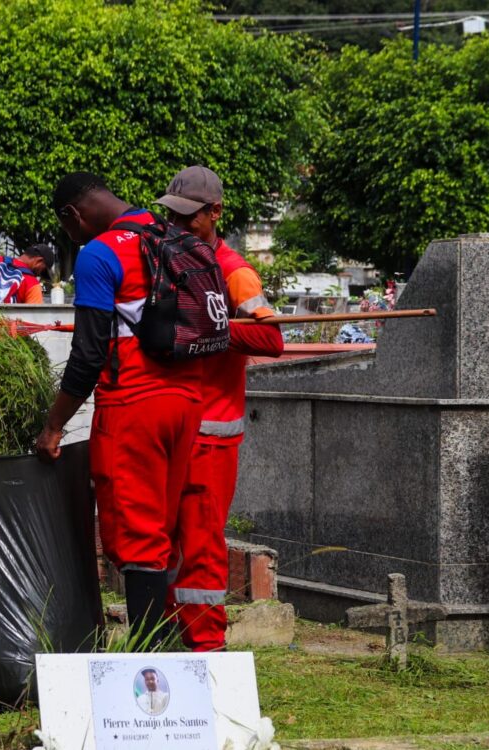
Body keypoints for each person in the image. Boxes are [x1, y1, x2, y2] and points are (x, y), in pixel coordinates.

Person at [35, 172, 203, 649]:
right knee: (164, 524)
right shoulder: (172, 234)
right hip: (187, 402)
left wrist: (53, 426)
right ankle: (168, 635)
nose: (73, 239)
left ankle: (150, 652)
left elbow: (89, 355)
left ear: (73, 214)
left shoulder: (99, 253)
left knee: (135, 529)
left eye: (68, 230)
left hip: (135, 405)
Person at [155, 166, 284, 651]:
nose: (181, 225)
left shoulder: (235, 271)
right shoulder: (167, 262)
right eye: (175, 216)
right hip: (171, 427)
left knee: (202, 544)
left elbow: (271, 339)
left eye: (192, 217)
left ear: (215, 213)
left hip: (211, 434)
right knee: (162, 540)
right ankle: (166, 633)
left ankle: (207, 646)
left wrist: (213, 327)